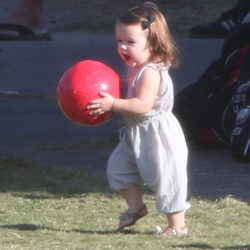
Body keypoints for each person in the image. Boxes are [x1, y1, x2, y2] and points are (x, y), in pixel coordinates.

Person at [87, 1, 190, 236]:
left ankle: (177, 226)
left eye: (131, 42)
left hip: (159, 135)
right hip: (135, 133)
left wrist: (112, 104)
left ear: (153, 44)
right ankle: (135, 208)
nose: (123, 47)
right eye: (119, 41)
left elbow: (143, 105)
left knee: (167, 179)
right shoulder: (131, 68)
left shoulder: (151, 72)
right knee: (118, 169)